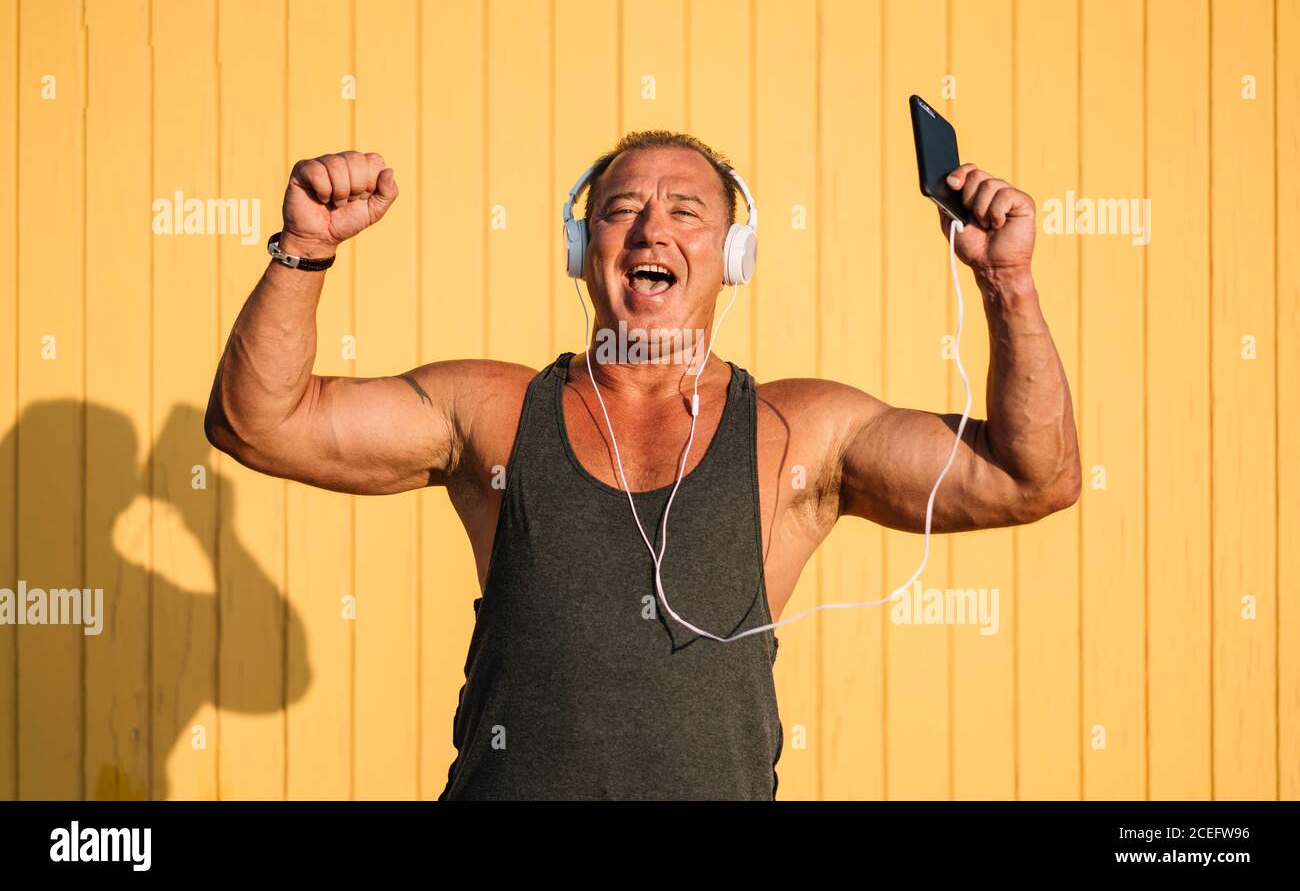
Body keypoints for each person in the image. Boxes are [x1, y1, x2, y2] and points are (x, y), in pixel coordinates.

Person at [203, 129, 1081, 800]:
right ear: (584, 250)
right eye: (622, 210)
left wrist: (1009, 283)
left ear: (735, 257)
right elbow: (260, 423)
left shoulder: (798, 431)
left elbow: (1031, 477)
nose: (651, 228)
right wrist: (302, 251)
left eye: (687, 212)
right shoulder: (496, 411)